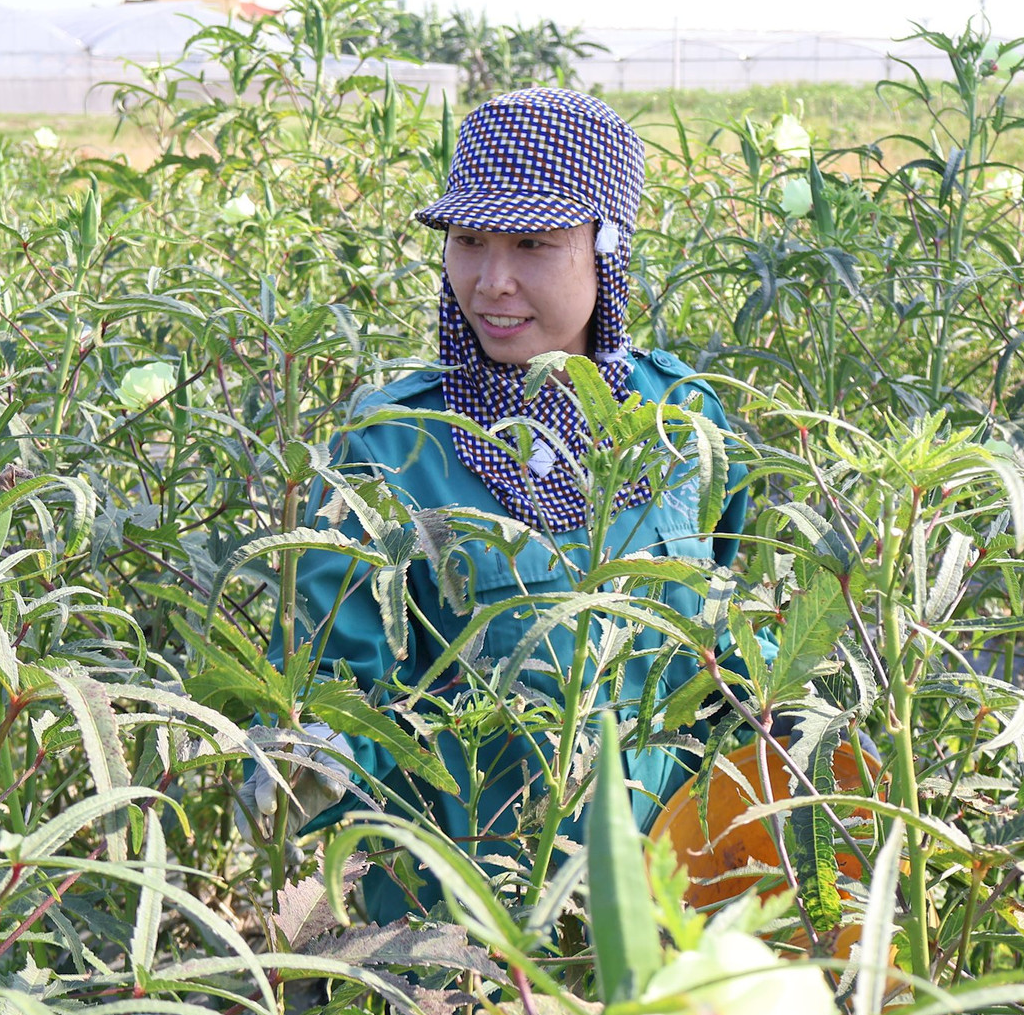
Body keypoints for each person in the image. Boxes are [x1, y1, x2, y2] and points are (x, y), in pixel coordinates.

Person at [263, 88, 756, 920]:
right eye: (468, 242)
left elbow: (731, 648)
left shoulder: (687, 420)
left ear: (608, 250)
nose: (492, 282)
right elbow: (341, 707)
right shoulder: (392, 447)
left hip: (670, 898)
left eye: (532, 243)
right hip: (465, 927)